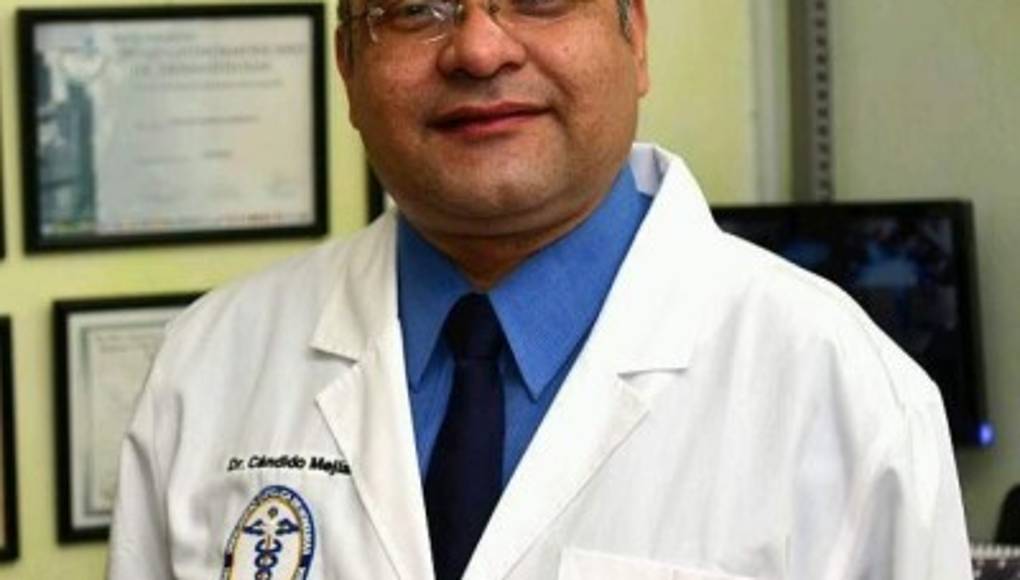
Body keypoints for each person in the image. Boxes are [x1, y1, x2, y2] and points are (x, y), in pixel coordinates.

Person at [107, 0, 975, 578]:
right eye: (416, 7)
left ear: (636, 34)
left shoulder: (849, 397)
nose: (480, 48)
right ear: (348, 68)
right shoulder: (209, 368)